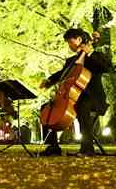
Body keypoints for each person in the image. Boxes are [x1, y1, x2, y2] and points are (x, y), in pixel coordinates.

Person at [39, 28, 110, 157]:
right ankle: (53, 146)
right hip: (73, 97)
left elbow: (105, 67)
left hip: (93, 98)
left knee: (82, 107)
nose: (69, 45)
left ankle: (87, 148)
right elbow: (62, 74)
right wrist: (49, 81)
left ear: (79, 39)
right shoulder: (72, 61)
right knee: (46, 108)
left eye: (70, 42)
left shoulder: (95, 56)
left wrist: (90, 53)